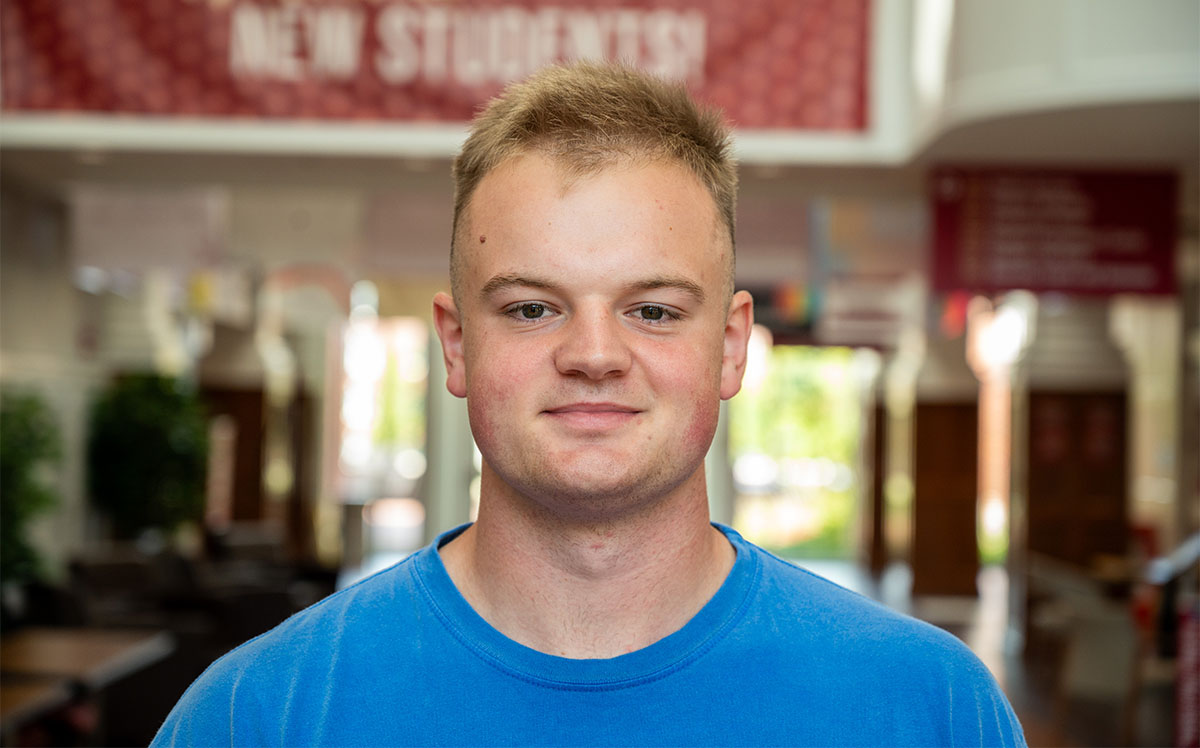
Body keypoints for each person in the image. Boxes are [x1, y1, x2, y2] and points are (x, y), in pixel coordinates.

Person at [152, 62, 1026, 747]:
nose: (595, 356)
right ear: (457, 346)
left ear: (729, 347)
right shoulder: (259, 715)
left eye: (652, 310)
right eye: (532, 308)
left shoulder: (927, 708)